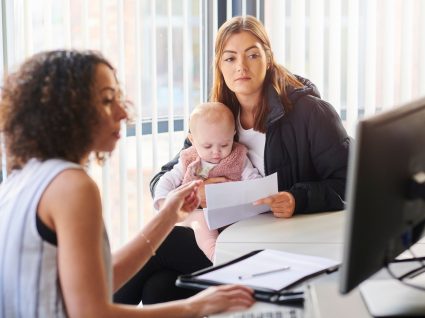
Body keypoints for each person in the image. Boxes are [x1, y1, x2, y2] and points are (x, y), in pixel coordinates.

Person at [115, 15, 350, 305]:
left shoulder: (311, 114)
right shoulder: (219, 116)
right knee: (160, 288)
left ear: (269, 58)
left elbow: (350, 183)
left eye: (252, 54)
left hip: (278, 246)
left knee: (160, 244)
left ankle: (87, 309)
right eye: (230, 58)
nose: (241, 66)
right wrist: (196, 195)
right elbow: (168, 173)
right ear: (219, 66)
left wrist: (295, 198)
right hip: (227, 239)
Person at [0, 50, 255, 317]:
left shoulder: (22, 178)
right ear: (68, 113)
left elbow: (95, 282)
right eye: (107, 101)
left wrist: (168, 215)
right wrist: (199, 305)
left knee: (161, 287)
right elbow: (91, 313)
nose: (123, 112)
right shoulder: (72, 186)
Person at [154, 101, 261, 261]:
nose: (216, 152)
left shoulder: (238, 157)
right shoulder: (189, 159)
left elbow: (254, 180)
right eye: (207, 146)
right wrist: (164, 202)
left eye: (224, 144)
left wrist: (251, 193)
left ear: (233, 134)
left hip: (231, 213)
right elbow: (167, 180)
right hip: (198, 213)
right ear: (192, 139)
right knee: (201, 222)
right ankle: (215, 255)